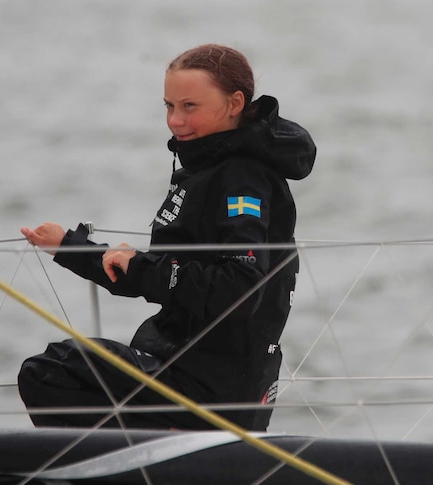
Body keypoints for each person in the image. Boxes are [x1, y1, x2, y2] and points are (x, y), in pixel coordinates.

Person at [17, 44, 316, 431]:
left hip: (214, 385)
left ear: (235, 103)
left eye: (189, 106)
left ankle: (131, 463)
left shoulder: (240, 176)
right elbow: (164, 275)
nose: (175, 120)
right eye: (169, 106)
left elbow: (240, 287)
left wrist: (143, 267)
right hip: (182, 363)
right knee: (51, 373)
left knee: (51, 371)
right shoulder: (210, 165)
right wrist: (69, 248)